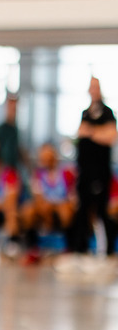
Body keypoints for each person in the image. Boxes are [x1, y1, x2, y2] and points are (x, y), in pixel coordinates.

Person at [68, 77, 117, 256]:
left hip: (100, 171)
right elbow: (79, 134)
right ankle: (80, 248)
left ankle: (107, 250)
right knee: (82, 209)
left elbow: (111, 136)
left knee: (101, 210)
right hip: (84, 171)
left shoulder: (107, 113)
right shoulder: (85, 113)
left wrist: (91, 131)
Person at [21, 142, 75, 260]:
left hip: (62, 206)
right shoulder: (37, 175)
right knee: (28, 210)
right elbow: (38, 197)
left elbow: (72, 198)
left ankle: (69, 248)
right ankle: (32, 248)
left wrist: (59, 205)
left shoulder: (67, 174)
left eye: (49, 157)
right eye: (43, 158)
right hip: (44, 207)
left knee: (66, 211)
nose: (46, 161)